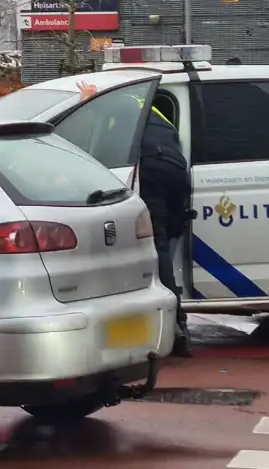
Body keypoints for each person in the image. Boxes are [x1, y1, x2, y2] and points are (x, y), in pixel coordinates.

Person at [78, 82, 192, 357]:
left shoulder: (115, 102)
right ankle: (174, 319)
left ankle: (176, 326)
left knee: (158, 245)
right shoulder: (149, 106)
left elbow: (92, 141)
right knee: (168, 236)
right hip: (176, 170)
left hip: (150, 169)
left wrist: (89, 102)